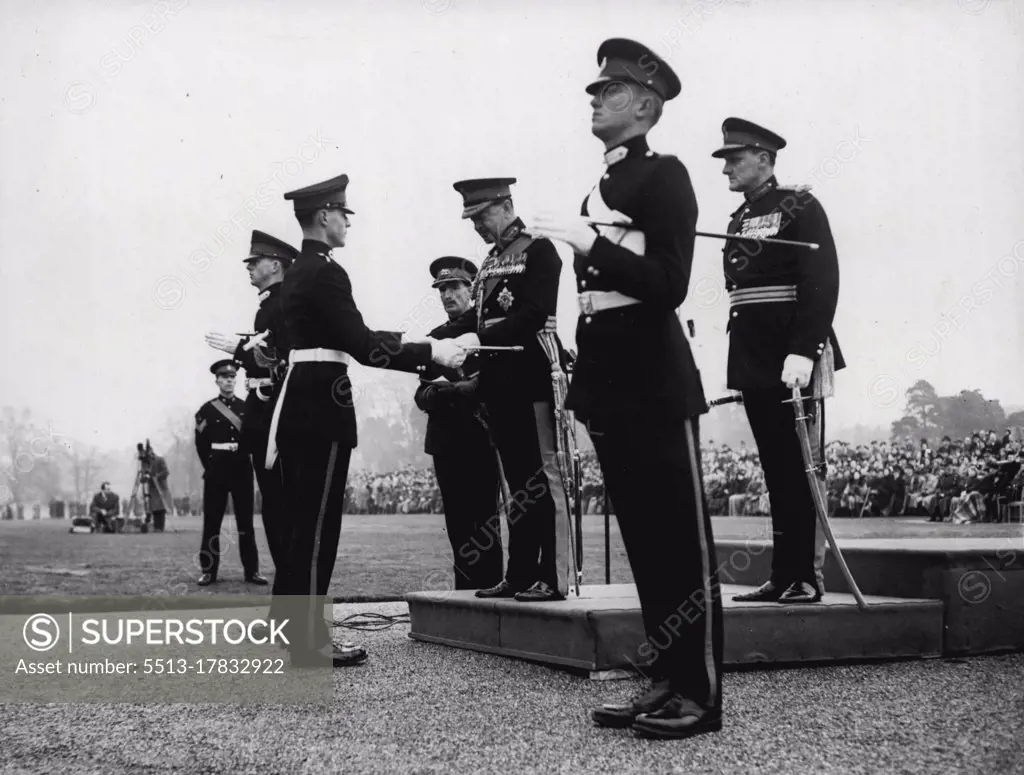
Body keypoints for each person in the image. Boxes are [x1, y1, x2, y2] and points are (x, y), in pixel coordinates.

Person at [529, 38, 722, 740]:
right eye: (594, 90)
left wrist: (591, 244)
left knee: (678, 541)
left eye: (608, 91)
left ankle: (699, 691)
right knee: (643, 539)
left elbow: (669, 284)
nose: (594, 98)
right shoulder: (599, 185)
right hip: (609, 374)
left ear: (644, 105)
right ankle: (666, 679)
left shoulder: (665, 176)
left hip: (655, 375)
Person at [268, 173, 465, 667]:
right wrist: (433, 353)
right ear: (324, 216)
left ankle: (288, 626)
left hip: (297, 403)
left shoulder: (294, 272)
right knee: (317, 527)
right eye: (343, 213)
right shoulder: (327, 273)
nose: (347, 222)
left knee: (299, 522)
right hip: (321, 406)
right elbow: (361, 344)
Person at [712, 117, 844, 604]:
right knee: (775, 469)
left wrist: (804, 350)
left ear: (765, 159)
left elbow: (821, 279)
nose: (726, 167)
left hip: (791, 354)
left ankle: (806, 576)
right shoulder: (738, 218)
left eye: (735, 158)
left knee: (803, 468)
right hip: (753, 354)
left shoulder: (800, 205)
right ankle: (782, 574)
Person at [445, 177, 573, 603]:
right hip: (499, 384)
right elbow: (478, 321)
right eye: (473, 219)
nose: (478, 226)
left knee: (544, 480)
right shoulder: (490, 261)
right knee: (517, 485)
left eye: (481, 216)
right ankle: (519, 574)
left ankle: (553, 578)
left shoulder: (538, 249)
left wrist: (478, 342)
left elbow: (535, 313)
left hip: (532, 374)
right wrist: (433, 341)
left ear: (505, 206)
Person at [205, 230, 298, 586]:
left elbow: (282, 362)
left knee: (280, 513)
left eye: (255, 262)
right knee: (274, 514)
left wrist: (240, 350)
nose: (249, 268)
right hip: (265, 414)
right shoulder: (269, 305)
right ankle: (285, 606)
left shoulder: (282, 303)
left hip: (276, 414)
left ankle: (292, 608)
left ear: (275, 265)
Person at [413, 256, 503, 591]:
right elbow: (420, 395)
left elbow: (494, 384)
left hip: (480, 437)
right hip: (445, 440)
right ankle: (464, 595)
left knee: (484, 521)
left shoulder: (487, 332)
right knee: (457, 524)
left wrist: (461, 389)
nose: (447, 295)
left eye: (454, 287)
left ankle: (491, 591)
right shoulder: (434, 339)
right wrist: (444, 393)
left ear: (472, 289)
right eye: (442, 289)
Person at [193, 359, 266, 587]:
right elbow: (201, 444)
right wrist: (212, 467)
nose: (229, 381)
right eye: (224, 377)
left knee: (246, 523)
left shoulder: (247, 408)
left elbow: (254, 439)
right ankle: (208, 572)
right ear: (217, 380)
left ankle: (252, 572)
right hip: (217, 470)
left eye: (232, 377)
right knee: (212, 523)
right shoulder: (206, 409)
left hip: (242, 468)